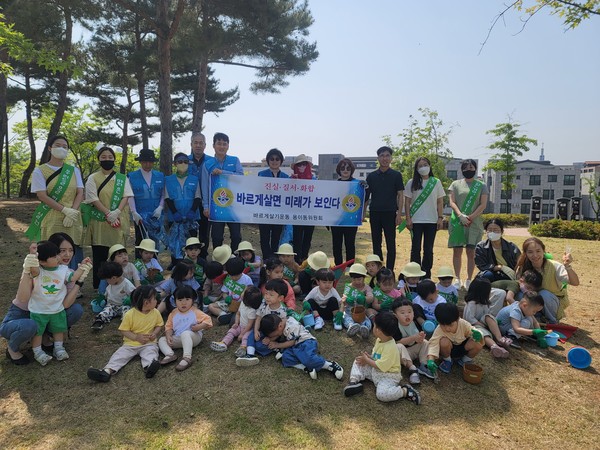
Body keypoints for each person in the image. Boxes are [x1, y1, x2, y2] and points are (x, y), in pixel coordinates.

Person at [26, 241, 89, 365]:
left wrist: (82, 267)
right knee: (38, 332)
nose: (59, 257)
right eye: (54, 257)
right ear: (43, 262)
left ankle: (59, 348)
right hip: (39, 310)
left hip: (57, 309)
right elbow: (33, 269)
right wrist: (33, 255)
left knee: (58, 329)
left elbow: (73, 277)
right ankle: (37, 352)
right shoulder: (39, 271)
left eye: (57, 254)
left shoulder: (63, 269)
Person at [27, 135, 84, 270]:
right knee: (53, 249)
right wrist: (64, 210)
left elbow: (80, 192)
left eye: (65, 147)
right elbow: (42, 195)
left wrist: (72, 212)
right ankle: (53, 286)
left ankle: (73, 284)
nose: (61, 149)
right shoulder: (40, 170)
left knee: (72, 249)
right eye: (58, 145)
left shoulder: (73, 170)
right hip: (52, 217)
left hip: (73, 217)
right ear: (49, 148)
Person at [87, 285, 163, 382]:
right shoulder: (130, 314)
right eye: (154, 299)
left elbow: (159, 325)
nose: (157, 300)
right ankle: (106, 371)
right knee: (119, 356)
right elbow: (124, 330)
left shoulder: (155, 312)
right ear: (146, 303)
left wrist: (155, 334)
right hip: (130, 344)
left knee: (151, 353)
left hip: (149, 343)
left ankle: (149, 368)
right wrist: (136, 337)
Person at [343, 312, 421, 404]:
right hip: (376, 371)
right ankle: (354, 382)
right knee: (358, 361)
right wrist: (370, 357)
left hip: (388, 376)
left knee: (382, 394)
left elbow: (381, 366)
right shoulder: (380, 340)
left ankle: (405, 391)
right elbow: (378, 358)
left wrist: (367, 360)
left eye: (374, 325)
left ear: (378, 330)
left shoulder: (390, 348)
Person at [83, 145, 133, 289]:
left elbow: (126, 196)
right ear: (98, 159)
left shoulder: (122, 178)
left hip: (118, 222)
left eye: (110, 157)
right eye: (104, 157)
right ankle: (99, 286)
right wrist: (108, 213)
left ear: (114, 160)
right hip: (100, 222)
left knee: (118, 254)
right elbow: (92, 198)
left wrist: (116, 212)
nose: (107, 160)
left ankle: (119, 284)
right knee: (100, 254)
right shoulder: (93, 178)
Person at [259, 314, 344, 380]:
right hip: (296, 346)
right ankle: (306, 368)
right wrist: (270, 339)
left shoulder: (292, 326)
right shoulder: (281, 323)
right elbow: (280, 335)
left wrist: (277, 345)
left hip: (306, 342)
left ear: (280, 326)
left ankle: (329, 365)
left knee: (308, 358)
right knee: (286, 357)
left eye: (276, 334)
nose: (276, 336)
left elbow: (292, 342)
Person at [514, 237, 579, 323]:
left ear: (543, 251)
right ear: (525, 253)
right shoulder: (523, 267)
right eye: (530, 252)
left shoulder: (554, 266)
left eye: (538, 251)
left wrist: (567, 266)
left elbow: (575, 283)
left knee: (544, 294)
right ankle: (532, 318)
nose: (535, 255)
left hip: (551, 301)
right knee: (519, 295)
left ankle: (552, 321)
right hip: (533, 301)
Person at [447, 159, 488, 290]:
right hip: (458, 222)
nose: (468, 170)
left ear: (475, 169)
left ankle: (469, 279)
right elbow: (452, 202)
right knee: (457, 251)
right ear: (462, 169)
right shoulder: (455, 184)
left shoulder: (481, 185)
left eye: (471, 167)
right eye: (465, 167)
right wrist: (460, 215)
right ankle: (458, 279)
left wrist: (470, 217)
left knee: (471, 252)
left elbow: (483, 204)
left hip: (474, 223)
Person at [402, 157, 446, 278]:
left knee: (428, 249)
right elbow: (407, 202)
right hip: (416, 221)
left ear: (430, 166)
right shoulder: (412, 182)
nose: (423, 167)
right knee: (415, 249)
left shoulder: (436, 182)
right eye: (420, 166)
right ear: (416, 169)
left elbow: (440, 202)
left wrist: (440, 218)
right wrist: (408, 218)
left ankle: (426, 275)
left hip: (432, 221)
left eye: (425, 164)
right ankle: (414, 273)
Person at [365, 146, 405, 271]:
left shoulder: (396, 175)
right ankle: (379, 271)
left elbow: (400, 195)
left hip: (390, 213)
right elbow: (366, 196)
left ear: (391, 158)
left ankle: (390, 270)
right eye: (382, 156)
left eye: (387, 155)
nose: (385, 158)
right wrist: (362, 213)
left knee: (390, 244)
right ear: (378, 158)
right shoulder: (371, 176)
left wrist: (399, 214)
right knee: (376, 243)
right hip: (375, 212)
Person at [203, 132, 243, 251]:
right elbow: (205, 186)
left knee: (236, 236)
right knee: (216, 237)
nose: (221, 146)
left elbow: (241, 178)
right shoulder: (208, 164)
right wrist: (206, 206)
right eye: (219, 143)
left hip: (233, 206)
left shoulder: (235, 160)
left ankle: (235, 260)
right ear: (213, 145)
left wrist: (223, 172)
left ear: (228, 146)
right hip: (216, 206)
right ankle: (218, 260)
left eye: (224, 144)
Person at [236, 278, 290, 367]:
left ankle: (274, 348)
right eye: (266, 293)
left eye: (271, 295)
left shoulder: (282, 311)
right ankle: (250, 355)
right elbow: (258, 318)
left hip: (273, 333)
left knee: (260, 346)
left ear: (280, 298)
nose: (267, 297)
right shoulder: (264, 304)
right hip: (261, 330)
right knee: (251, 336)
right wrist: (256, 330)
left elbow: (280, 331)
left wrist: (271, 339)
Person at [158, 286, 213, 371]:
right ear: (175, 301)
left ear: (192, 300)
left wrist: (199, 327)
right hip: (178, 338)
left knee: (185, 333)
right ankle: (169, 354)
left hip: (194, 337)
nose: (183, 303)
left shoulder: (195, 311)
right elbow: (168, 327)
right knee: (162, 340)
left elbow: (208, 320)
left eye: (187, 299)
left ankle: (187, 358)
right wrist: (168, 335)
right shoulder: (173, 313)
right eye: (180, 300)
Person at [164, 152, 202, 268]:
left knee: (191, 241)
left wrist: (192, 211)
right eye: (180, 161)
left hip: (192, 217)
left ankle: (191, 262)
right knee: (175, 239)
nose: (183, 164)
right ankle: (175, 261)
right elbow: (167, 197)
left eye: (185, 162)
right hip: (174, 216)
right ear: (175, 163)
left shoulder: (194, 179)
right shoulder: (168, 179)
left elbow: (197, 197)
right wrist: (175, 212)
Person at [426, 303, 484, 375]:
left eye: (450, 325)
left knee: (478, 344)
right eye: (443, 325)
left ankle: (465, 360)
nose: (447, 328)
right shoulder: (439, 330)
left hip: (463, 347)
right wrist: (430, 360)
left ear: (457, 319)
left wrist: (478, 334)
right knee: (444, 342)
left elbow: (472, 330)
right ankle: (447, 360)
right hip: (448, 350)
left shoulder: (463, 324)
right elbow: (433, 344)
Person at [127, 148, 165, 258]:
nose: (147, 164)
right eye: (144, 162)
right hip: (140, 215)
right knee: (141, 240)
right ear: (140, 162)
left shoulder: (160, 176)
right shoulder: (132, 176)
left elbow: (163, 194)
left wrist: (160, 207)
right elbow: (130, 195)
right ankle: (140, 265)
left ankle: (154, 265)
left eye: (150, 162)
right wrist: (134, 212)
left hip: (155, 215)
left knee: (154, 240)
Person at [463, 278, 512, 358]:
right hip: (472, 325)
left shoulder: (484, 303)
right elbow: (469, 319)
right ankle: (494, 346)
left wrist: (493, 321)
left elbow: (486, 315)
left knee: (488, 317)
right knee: (482, 333)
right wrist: (482, 325)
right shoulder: (471, 303)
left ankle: (500, 339)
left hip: (481, 323)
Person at [210, 286, 263, 357]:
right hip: (240, 325)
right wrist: (236, 323)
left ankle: (243, 348)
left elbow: (250, 325)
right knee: (231, 332)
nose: (241, 293)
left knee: (245, 338)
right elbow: (238, 314)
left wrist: (242, 334)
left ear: (246, 298)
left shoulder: (252, 311)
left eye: (244, 292)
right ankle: (224, 343)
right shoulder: (242, 304)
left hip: (248, 329)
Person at [392, 299, 436, 380]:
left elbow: (417, 340)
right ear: (396, 315)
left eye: (409, 312)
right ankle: (412, 368)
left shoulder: (415, 323)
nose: (407, 315)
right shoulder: (395, 325)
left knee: (425, 342)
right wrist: (414, 337)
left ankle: (424, 364)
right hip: (401, 355)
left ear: (413, 313)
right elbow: (398, 341)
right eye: (402, 313)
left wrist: (420, 338)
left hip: (412, 352)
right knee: (399, 346)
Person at [258, 148, 290, 258]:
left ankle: (275, 260)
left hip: (279, 213)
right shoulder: (261, 175)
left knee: (276, 237)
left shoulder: (286, 177)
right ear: (268, 160)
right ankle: (267, 259)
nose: (274, 161)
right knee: (264, 238)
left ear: (281, 161)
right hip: (264, 212)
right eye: (272, 159)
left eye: (277, 159)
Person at [188, 132, 214, 257]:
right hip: (190, 202)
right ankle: (190, 256)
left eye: (201, 143)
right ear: (191, 144)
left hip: (207, 202)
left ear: (205, 145)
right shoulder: (185, 161)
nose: (198, 145)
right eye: (195, 142)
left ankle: (203, 256)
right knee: (191, 231)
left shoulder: (211, 161)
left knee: (204, 231)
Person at [330, 158, 359, 266]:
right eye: (343, 168)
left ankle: (350, 266)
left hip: (351, 220)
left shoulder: (357, 184)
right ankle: (338, 265)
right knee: (336, 244)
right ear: (339, 170)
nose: (345, 170)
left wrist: (365, 187)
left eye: (348, 168)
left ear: (351, 169)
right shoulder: (334, 185)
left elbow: (364, 198)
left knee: (350, 244)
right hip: (336, 220)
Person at [91, 262, 136, 331]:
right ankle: (99, 321)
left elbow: (135, 293)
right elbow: (107, 293)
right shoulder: (111, 284)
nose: (106, 281)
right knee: (105, 312)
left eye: (106, 279)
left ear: (114, 278)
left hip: (124, 305)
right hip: (112, 305)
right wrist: (103, 298)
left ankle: (127, 323)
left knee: (127, 313)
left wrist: (130, 298)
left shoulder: (126, 284)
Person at [208, 257, 253, 325]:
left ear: (242, 271)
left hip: (242, 305)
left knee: (244, 312)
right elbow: (224, 293)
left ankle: (232, 316)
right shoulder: (228, 279)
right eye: (232, 275)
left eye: (237, 276)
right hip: (229, 304)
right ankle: (223, 314)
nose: (234, 278)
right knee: (211, 306)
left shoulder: (247, 279)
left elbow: (251, 293)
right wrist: (226, 297)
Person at [475, 218, 521, 283]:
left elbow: (520, 263)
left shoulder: (511, 247)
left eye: (495, 230)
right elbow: (481, 265)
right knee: (486, 276)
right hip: (492, 273)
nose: (492, 232)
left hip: (509, 274)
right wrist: (500, 267)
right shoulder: (481, 246)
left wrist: (517, 273)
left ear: (502, 231)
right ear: (486, 231)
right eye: (489, 230)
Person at [290, 154, 316, 263]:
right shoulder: (291, 179)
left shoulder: (314, 179)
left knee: (308, 237)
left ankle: (304, 258)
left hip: (310, 213)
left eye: (304, 164)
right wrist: (292, 182)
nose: (301, 167)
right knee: (297, 237)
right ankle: (297, 260)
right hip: (296, 213)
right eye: (299, 164)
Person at [340, 263, 373, 339]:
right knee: (345, 318)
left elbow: (371, 298)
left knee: (366, 321)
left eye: (359, 279)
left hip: (361, 311)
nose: (357, 282)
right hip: (349, 311)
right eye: (354, 279)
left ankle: (365, 328)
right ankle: (351, 326)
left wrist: (364, 298)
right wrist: (347, 299)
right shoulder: (349, 287)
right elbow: (343, 298)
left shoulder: (366, 288)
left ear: (364, 278)